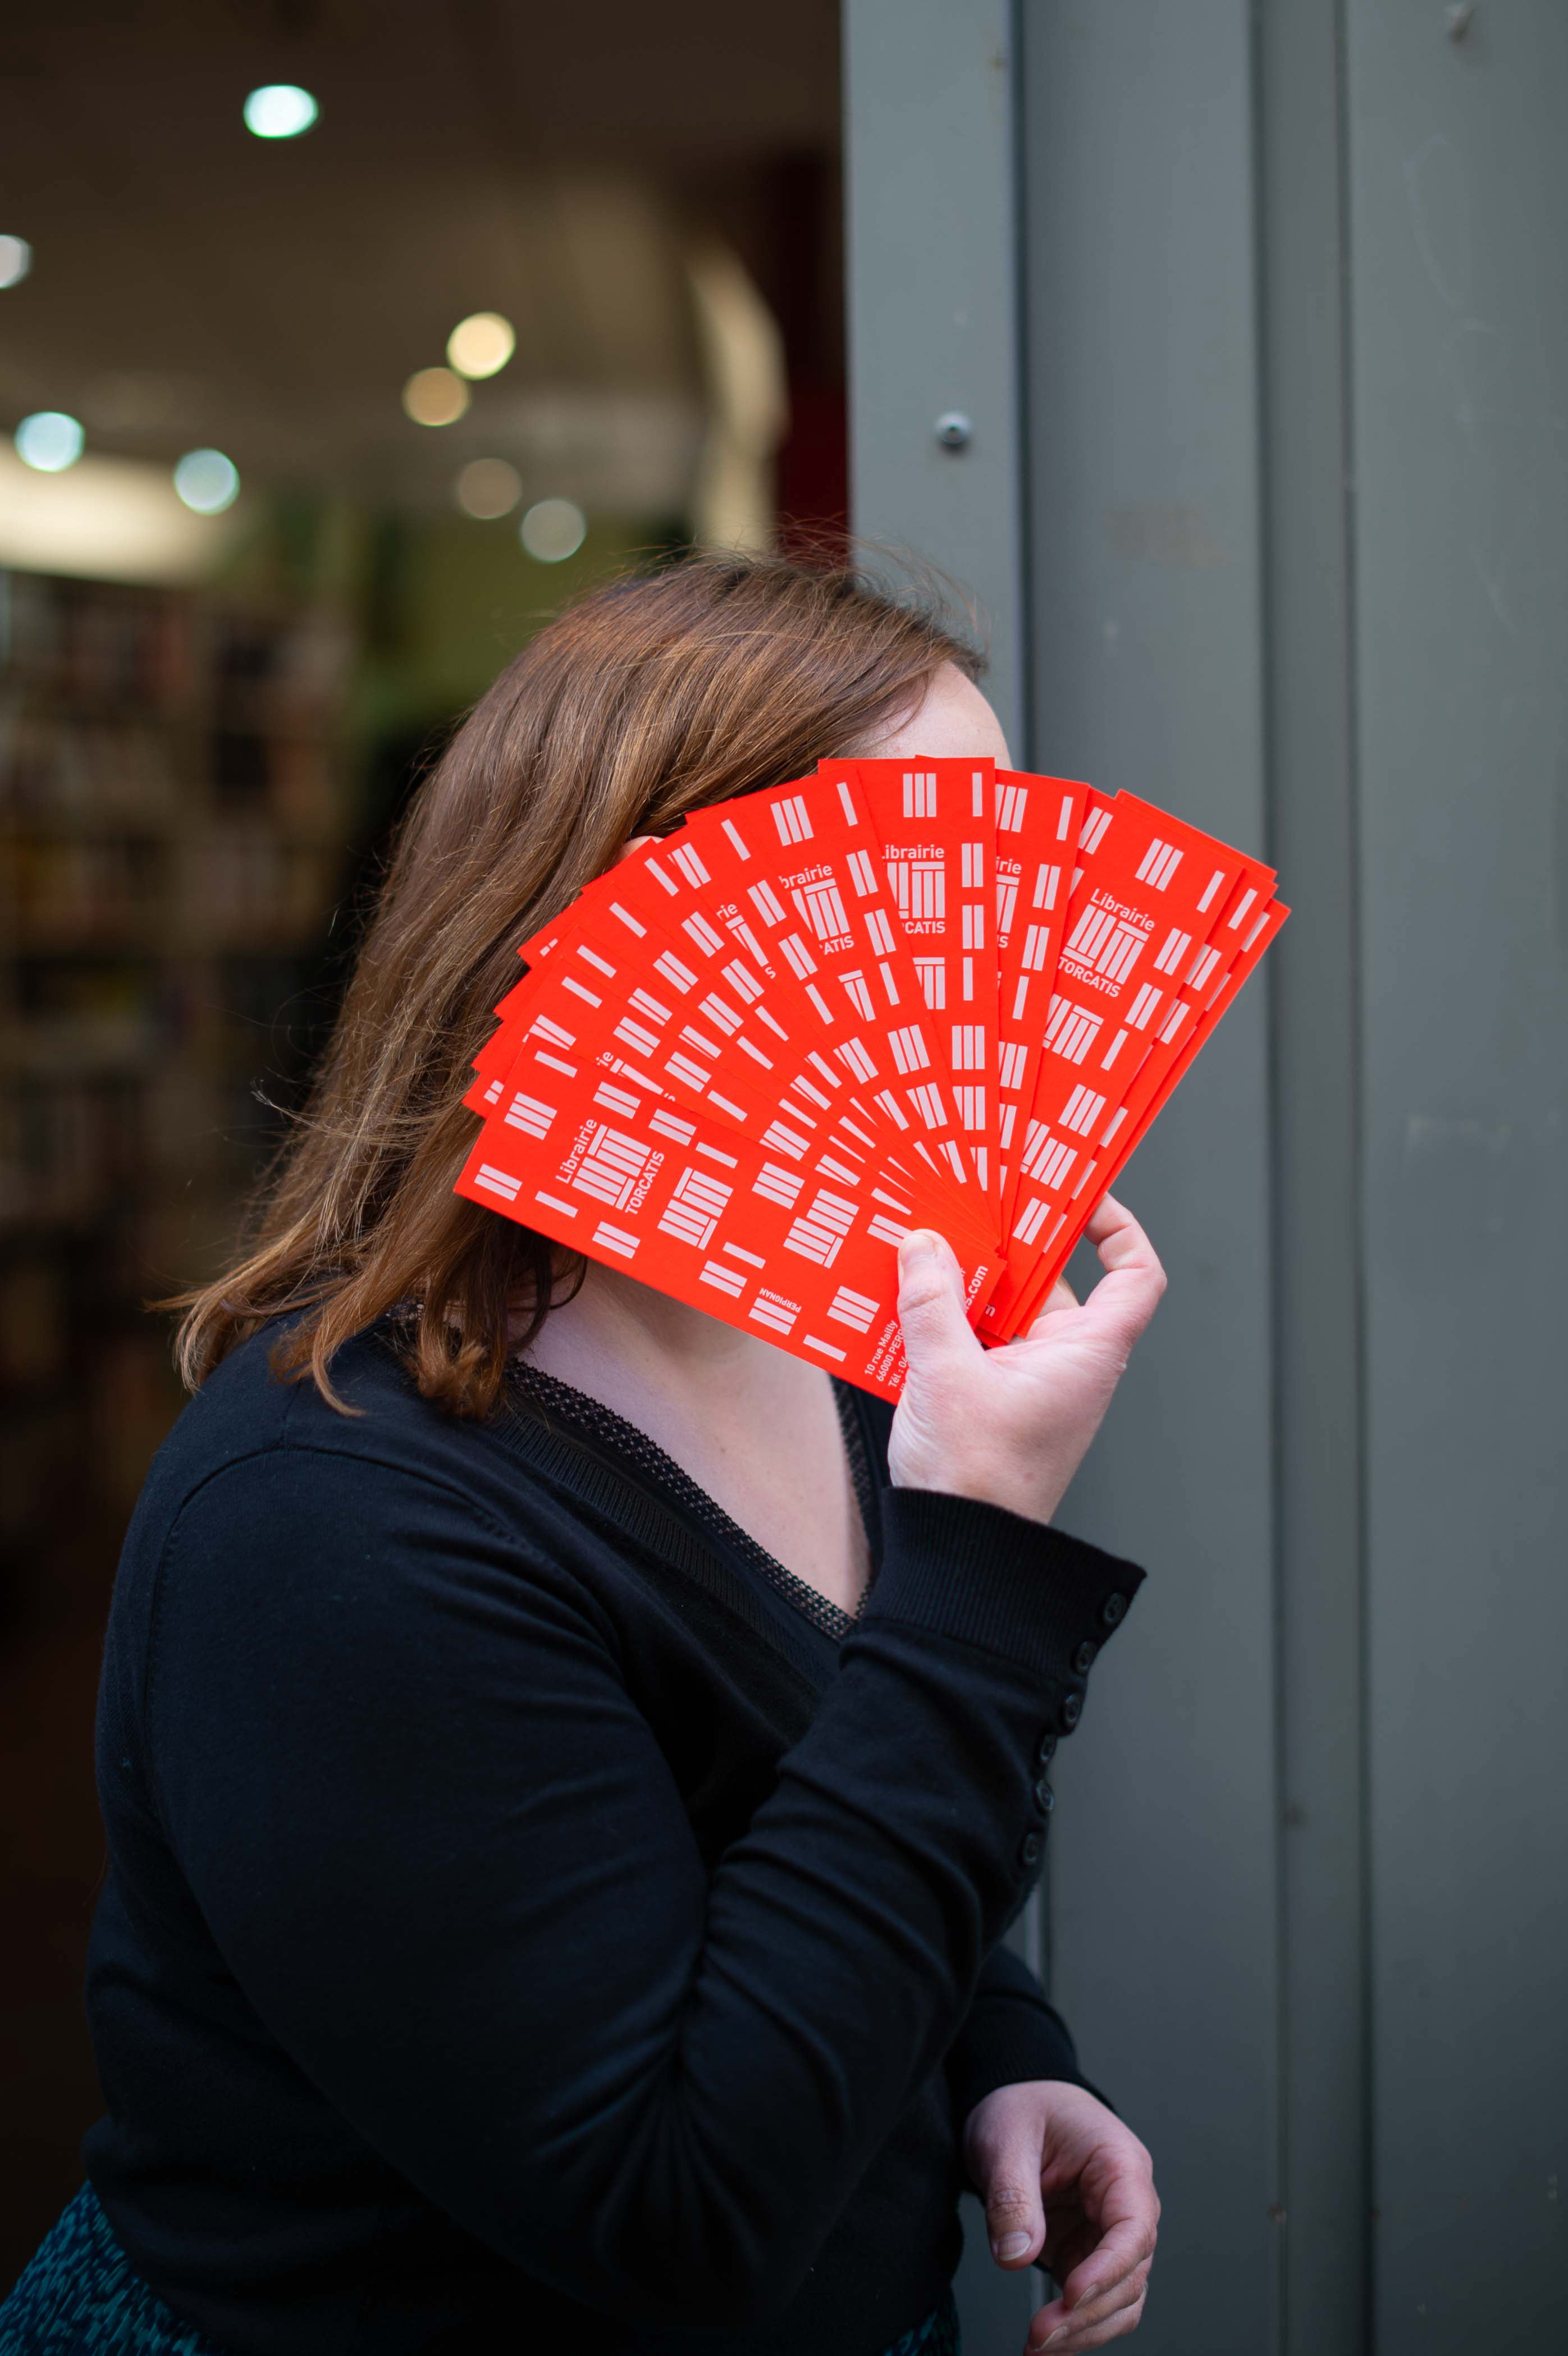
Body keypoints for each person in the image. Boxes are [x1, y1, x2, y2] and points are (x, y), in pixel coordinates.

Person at [1, 552, 1165, 2356]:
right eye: (895, 880)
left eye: (997, 867)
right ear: (623, 930)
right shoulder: (332, 1522)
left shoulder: (832, 1354)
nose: (985, 952)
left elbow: (783, 1830)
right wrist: (981, 1560)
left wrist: (993, 2054)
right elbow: (666, 2215)